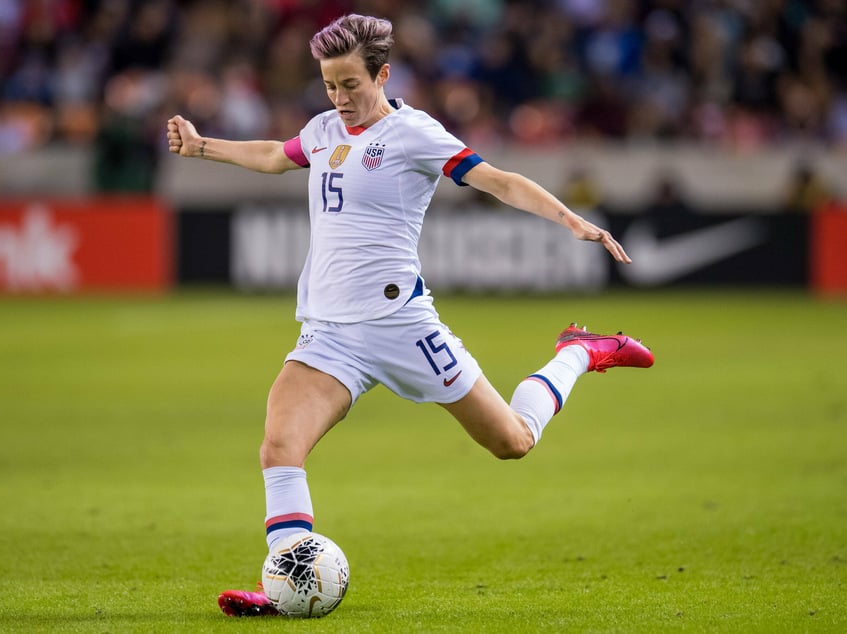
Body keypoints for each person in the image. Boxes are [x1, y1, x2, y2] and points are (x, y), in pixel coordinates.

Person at [166, 14, 654, 618]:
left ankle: (579, 351)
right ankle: (289, 586)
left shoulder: (414, 134)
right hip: (329, 335)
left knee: (512, 441)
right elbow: (273, 154)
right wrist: (201, 146)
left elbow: (497, 180)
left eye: (350, 84)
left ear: (383, 74)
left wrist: (571, 219)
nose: (340, 99)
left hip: (404, 329)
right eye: (329, 85)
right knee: (278, 447)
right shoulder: (321, 131)